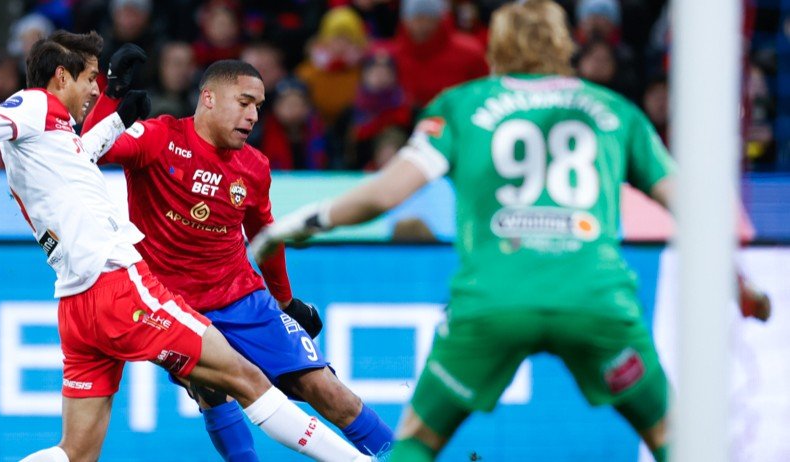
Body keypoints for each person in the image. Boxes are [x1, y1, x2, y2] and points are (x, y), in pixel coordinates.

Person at [0, 31, 371, 462]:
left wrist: (118, 113)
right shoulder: (33, 105)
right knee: (247, 378)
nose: (94, 90)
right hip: (117, 283)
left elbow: (84, 154)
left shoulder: (52, 133)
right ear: (61, 77)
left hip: (76, 306)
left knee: (75, 453)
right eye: (91, 80)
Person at [250, 1, 699, 461]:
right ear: (564, 43)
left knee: (417, 440)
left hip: (493, 300)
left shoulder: (462, 105)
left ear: (496, 46)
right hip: (596, 300)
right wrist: (733, 275)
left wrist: (307, 221)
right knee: (674, 435)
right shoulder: (615, 111)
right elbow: (691, 204)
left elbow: (385, 193)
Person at [81, 59, 394, 461]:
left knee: (329, 392)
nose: (253, 116)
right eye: (244, 102)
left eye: (258, 107)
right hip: (175, 309)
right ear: (209, 98)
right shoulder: (159, 137)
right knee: (212, 390)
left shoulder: (254, 166)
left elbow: (265, 235)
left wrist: (286, 302)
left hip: (244, 300)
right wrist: (111, 95)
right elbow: (89, 150)